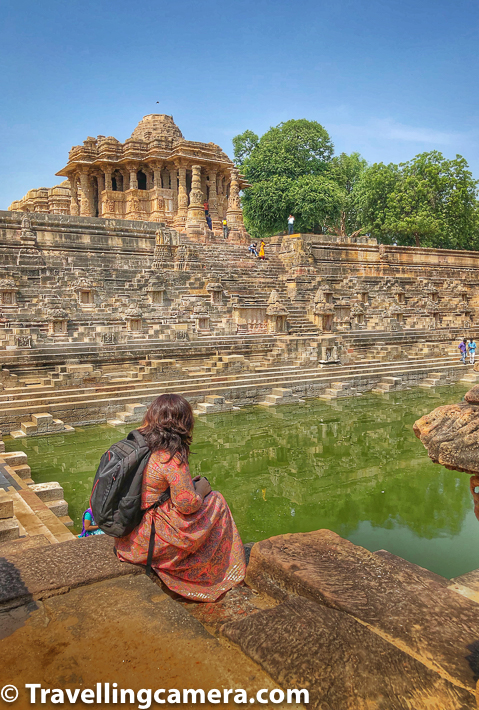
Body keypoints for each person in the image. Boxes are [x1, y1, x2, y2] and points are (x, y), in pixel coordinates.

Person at [115, 394, 246, 602]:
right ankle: (218, 572)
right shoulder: (168, 455)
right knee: (217, 501)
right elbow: (187, 504)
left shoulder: (137, 444)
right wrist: (201, 490)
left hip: (127, 536)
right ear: (182, 423)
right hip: (149, 542)